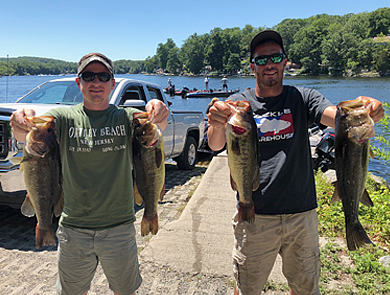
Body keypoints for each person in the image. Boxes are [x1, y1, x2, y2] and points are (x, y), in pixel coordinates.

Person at [206, 30, 384, 295]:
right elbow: (215, 143)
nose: (269, 64)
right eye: (262, 59)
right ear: (252, 65)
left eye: (275, 57)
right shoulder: (239, 105)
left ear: (284, 62)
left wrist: (364, 115)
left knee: (305, 288)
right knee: (247, 288)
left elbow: (337, 118)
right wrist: (216, 121)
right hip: (256, 214)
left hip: (302, 215)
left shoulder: (303, 97)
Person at [10, 52, 169, 295]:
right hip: (74, 228)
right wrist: (22, 120)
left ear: (112, 83)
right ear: (79, 82)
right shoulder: (64, 118)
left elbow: (155, 128)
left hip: (120, 227)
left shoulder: (125, 117)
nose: (96, 82)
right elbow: (29, 130)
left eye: (104, 76)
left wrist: (158, 109)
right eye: (88, 76)